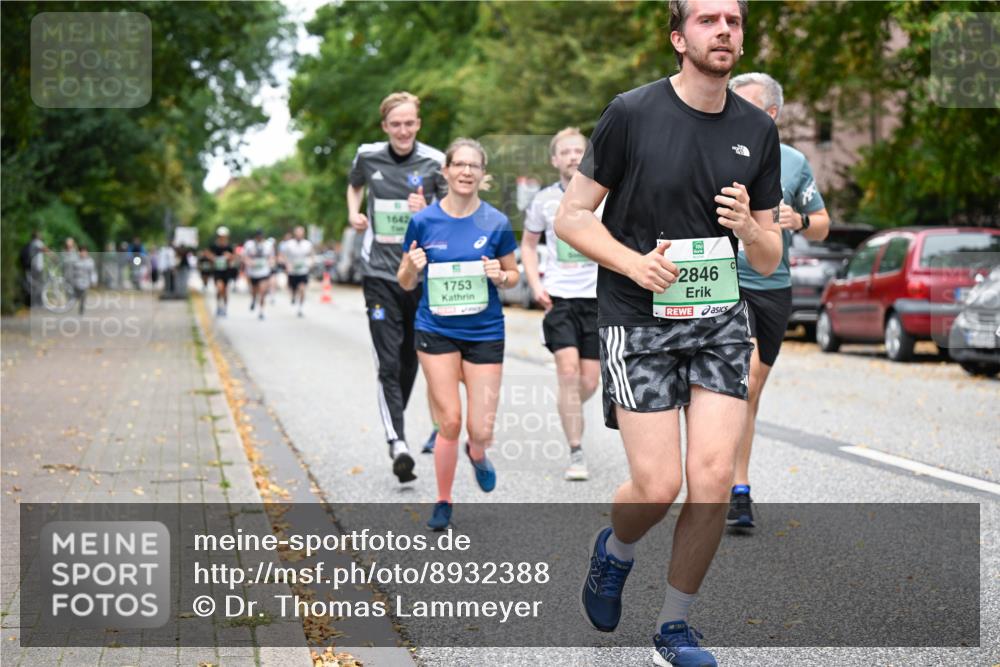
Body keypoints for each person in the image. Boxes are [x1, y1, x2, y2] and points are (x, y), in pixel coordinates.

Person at [555, 1, 783, 664]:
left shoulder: (756, 129)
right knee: (657, 487)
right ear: (679, 37)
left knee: (711, 479)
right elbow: (573, 216)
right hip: (638, 317)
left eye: (733, 21)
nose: (724, 30)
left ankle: (674, 626)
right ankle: (616, 549)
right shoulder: (631, 113)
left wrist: (749, 228)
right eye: (708, 20)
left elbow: (768, 255)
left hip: (719, 319)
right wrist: (633, 263)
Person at [726, 72, 831, 529]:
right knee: (743, 379)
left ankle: (728, 479)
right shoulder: (712, 148)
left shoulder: (793, 162)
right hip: (723, 283)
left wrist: (799, 221)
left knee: (749, 393)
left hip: (772, 286)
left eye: (745, 105)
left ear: (771, 114)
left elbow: (823, 223)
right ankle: (736, 488)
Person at [397, 138, 518, 531]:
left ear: (483, 174)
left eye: (474, 165)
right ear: (446, 171)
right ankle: (443, 500)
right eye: (459, 164)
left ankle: (477, 453)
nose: (466, 171)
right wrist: (412, 267)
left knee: (480, 429)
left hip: (485, 331)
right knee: (449, 420)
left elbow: (514, 275)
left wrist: (501, 276)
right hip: (436, 330)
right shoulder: (423, 222)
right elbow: (404, 280)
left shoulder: (496, 222)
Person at [347, 91, 449, 483]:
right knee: (388, 361)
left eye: (409, 123)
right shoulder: (367, 155)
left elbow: (450, 214)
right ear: (385, 127)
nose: (403, 131)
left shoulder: (435, 161)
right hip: (379, 274)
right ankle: (398, 443)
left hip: (419, 275)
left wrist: (428, 213)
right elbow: (355, 186)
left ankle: (396, 423)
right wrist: (354, 213)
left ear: (418, 124)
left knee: (410, 359)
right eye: (395, 124)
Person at [521, 127, 602, 481]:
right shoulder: (543, 200)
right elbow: (528, 245)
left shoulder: (604, 195)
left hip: (597, 299)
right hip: (560, 297)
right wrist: (535, 283)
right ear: (555, 159)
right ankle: (576, 451)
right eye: (565, 152)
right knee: (568, 373)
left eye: (578, 151)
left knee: (590, 381)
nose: (572, 157)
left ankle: (566, 406)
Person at [280, 226, 314, 317]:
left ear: (303, 234)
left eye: (301, 233)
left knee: (302, 289)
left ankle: (300, 308)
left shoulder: (307, 244)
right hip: (292, 271)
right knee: (292, 289)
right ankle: (293, 296)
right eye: (297, 232)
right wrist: (287, 265)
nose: (299, 234)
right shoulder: (289, 244)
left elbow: (311, 256)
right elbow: (282, 256)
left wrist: (310, 263)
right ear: (295, 233)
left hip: (303, 271)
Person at [243, 229, 274, 320]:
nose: (260, 238)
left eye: (261, 236)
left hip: (264, 271)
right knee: (254, 291)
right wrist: (249, 262)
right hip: (253, 272)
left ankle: (261, 311)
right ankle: (253, 299)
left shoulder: (268, 245)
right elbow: (244, 256)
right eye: (258, 236)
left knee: (262, 291)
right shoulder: (249, 245)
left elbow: (271, 257)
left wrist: (271, 263)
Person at [208, 227, 236, 317]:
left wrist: (229, 256)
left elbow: (234, 258)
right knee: (219, 288)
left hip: (226, 271)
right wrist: (213, 258)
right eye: (221, 236)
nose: (222, 237)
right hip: (217, 271)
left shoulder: (229, 247)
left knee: (225, 290)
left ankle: (225, 307)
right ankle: (218, 306)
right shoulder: (214, 246)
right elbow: (208, 255)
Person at [69, 246, 97, 315]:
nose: (83, 253)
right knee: (75, 296)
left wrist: (93, 281)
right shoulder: (75, 260)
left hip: (85, 282)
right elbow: (71, 271)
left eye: (84, 252)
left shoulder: (90, 261)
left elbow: (92, 272)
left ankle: (81, 309)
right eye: (81, 251)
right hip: (76, 282)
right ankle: (71, 302)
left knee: (83, 296)